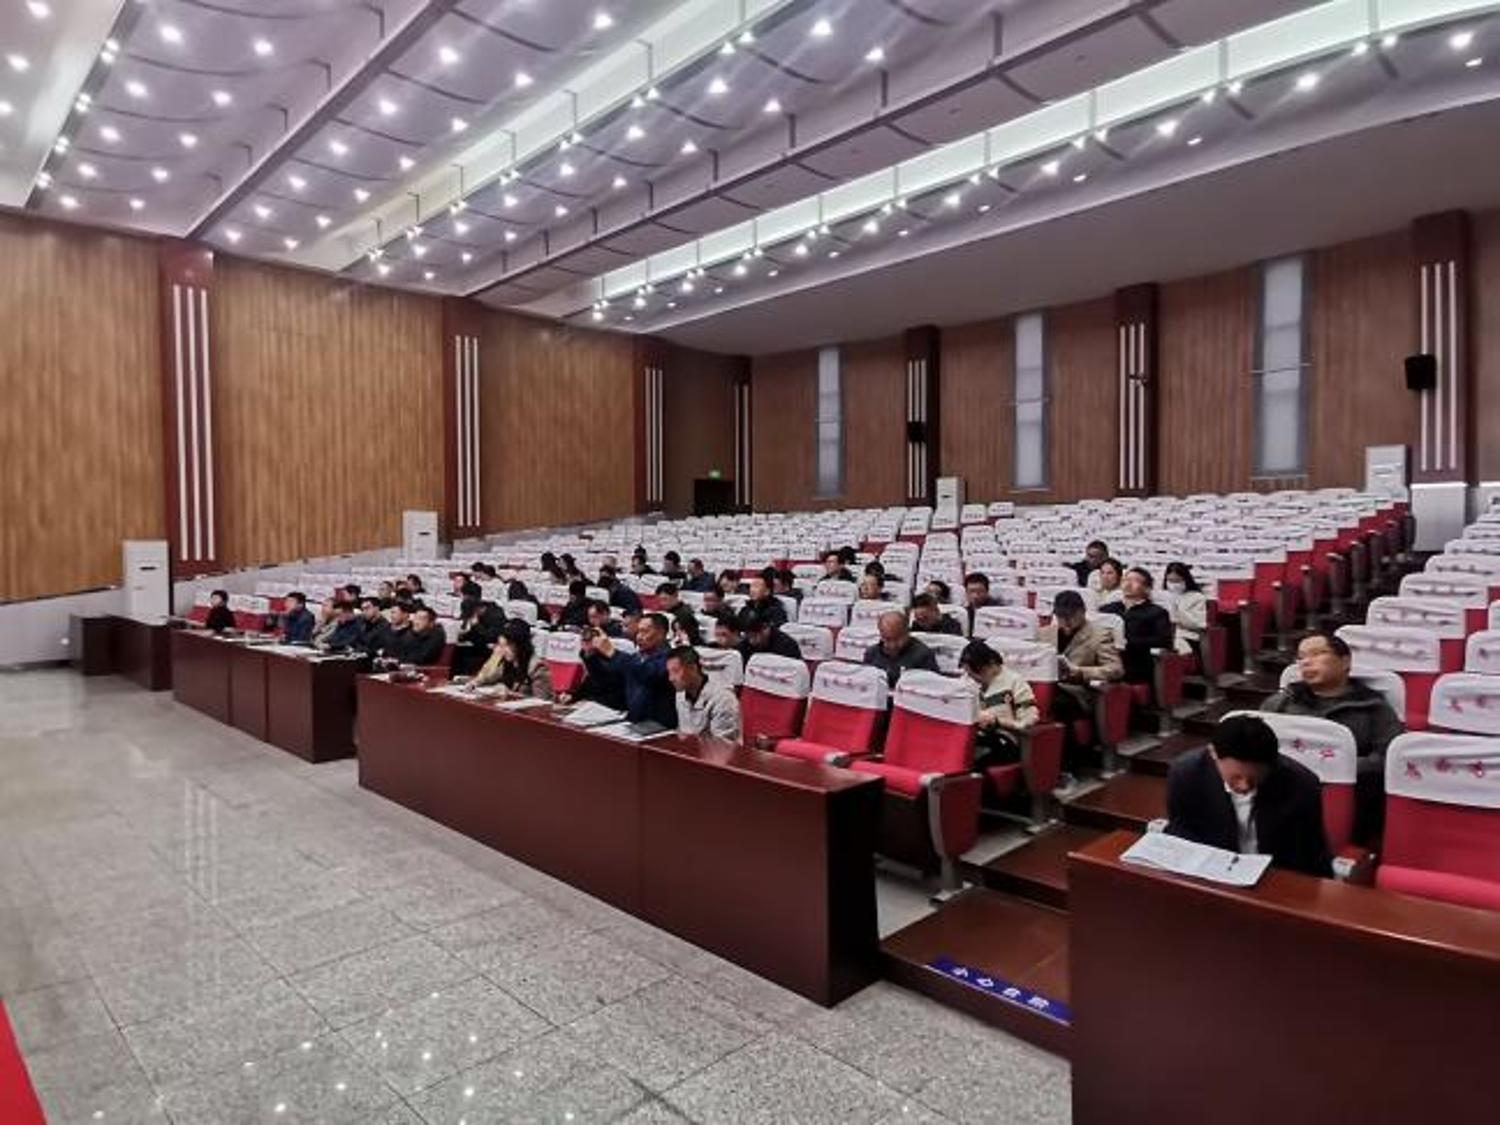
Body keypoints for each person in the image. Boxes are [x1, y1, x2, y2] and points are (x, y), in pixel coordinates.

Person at [1262, 630, 1404, 845]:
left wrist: (1337, 767)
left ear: (1345, 661)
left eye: (1317, 654)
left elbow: (1388, 758)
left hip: (1349, 798)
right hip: (1284, 794)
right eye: (1301, 657)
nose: (1306, 662)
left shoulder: (1374, 708)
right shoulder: (1280, 703)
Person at [1167, 713, 1332, 878]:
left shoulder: (1302, 785)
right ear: (1214, 753)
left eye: (1255, 778)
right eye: (1236, 777)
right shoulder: (1186, 775)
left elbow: (1311, 855)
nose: (1245, 786)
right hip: (1212, 874)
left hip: (1276, 877)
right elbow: (1182, 837)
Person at [959, 640, 1039, 783]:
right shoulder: (968, 681)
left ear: (991, 664)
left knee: (972, 760)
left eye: (976, 674)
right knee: (957, 753)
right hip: (974, 734)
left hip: (1005, 739)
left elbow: (1028, 722)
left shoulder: (1015, 682)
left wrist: (997, 722)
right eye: (969, 674)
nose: (973, 679)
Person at [581, 612, 677, 728]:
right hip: (632, 721)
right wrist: (591, 655)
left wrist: (612, 652)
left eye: (645, 632)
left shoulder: (671, 659)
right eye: (638, 632)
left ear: (661, 633)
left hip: (658, 725)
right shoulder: (637, 657)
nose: (639, 637)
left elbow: (646, 673)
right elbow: (608, 683)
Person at [1098, 567, 1174, 686]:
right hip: (1104, 656)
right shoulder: (1107, 609)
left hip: (1135, 659)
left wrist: (1128, 642)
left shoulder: (1157, 612)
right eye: (1126, 580)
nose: (1128, 584)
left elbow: (1163, 640)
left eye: (1135, 581)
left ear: (1147, 588)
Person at [668, 646, 742, 742]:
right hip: (689, 748)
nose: (671, 678)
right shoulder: (680, 694)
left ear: (693, 668)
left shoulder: (723, 699)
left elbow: (723, 745)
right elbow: (683, 732)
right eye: (669, 672)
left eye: (676, 671)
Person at [469, 619, 553, 699]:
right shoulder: (508, 662)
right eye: (501, 645)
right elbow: (490, 677)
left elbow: (540, 702)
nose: (503, 650)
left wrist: (509, 693)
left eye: (507, 645)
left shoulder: (537, 668)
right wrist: (475, 682)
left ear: (519, 645)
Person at [864, 610, 939, 688]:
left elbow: (933, 687)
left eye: (897, 639)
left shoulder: (924, 655)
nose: (893, 645)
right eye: (887, 639)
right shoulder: (872, 653)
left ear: (907, 632)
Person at [1163, 561, 1209, 656]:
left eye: (1177, 581)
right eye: (1170, 581)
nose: (1173, 585)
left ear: (1185, 580)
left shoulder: (1197, 597)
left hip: (1188, 637)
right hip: (1165, 635)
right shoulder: (1163, 596)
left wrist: (1177, 610)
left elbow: (1199, 624)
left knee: (1176, 645)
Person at [452, 595, 505, 678]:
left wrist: (476, 625)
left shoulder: (496, 615)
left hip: (491, 647)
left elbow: (490, 637)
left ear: (477, 609)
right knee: (457, 651)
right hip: (478, 645)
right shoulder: (476, 616)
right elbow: (472, 633)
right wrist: (462, 635)